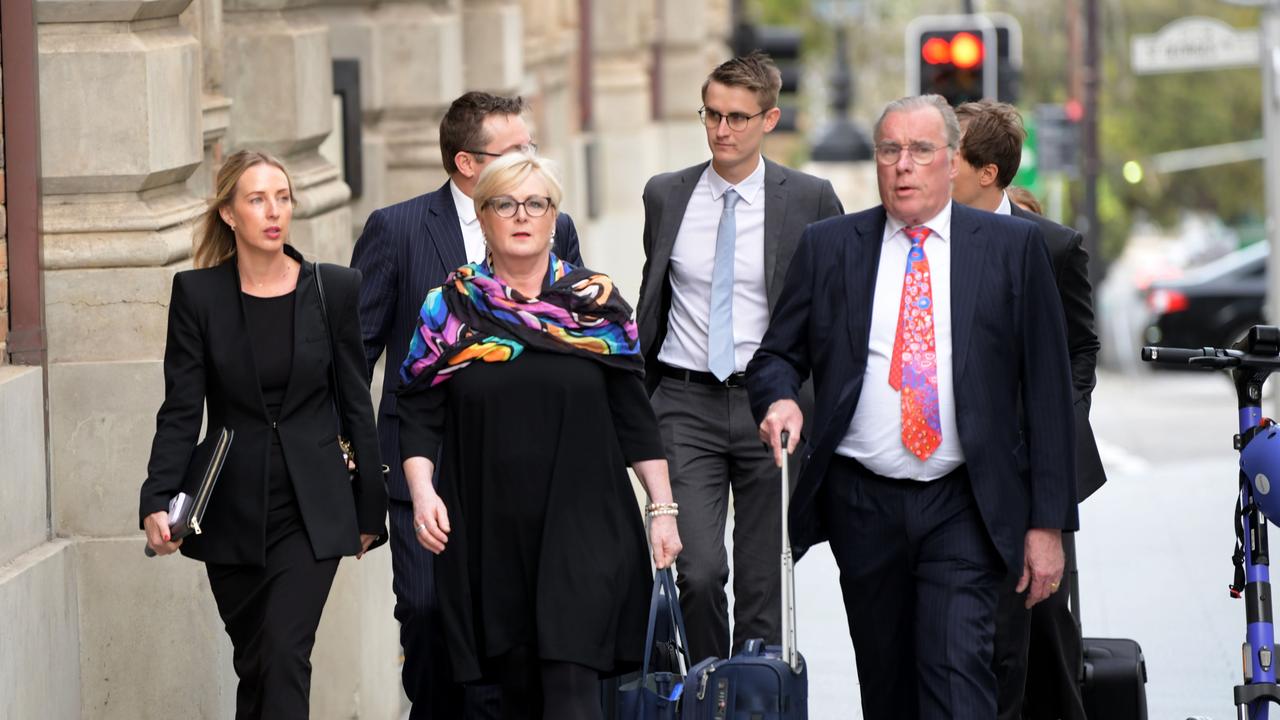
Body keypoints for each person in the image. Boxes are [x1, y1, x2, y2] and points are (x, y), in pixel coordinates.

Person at [746, 95, 1078, 720]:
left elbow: (1049, 394)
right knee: (888, 686)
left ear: (952, 162)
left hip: (966, 500)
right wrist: (782, 399)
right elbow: (775, 357)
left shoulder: (1011, 249)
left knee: (959, 679)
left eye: (921, 150)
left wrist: (1047, 525)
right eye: (889, 150)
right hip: (861, 501)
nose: (903, 165)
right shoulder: (830, 246)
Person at [396, 151, 680, 720]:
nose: (521, 215)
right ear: (483, 216)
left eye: (536, 204)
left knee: (573, 690)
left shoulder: (595, 305)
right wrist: (423, 493)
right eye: (505, 204)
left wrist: (663, 507)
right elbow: (420, 412)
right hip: (487, 526)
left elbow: (634, 415)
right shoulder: (449, 309)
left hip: (585, 524)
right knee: (514, 691)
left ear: (555, 218)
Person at [350, 91, 582, 718]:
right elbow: (356, 354)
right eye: (516, 152)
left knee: (515, 636)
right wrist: (359, 468)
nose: (531, 165)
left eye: (531, 150)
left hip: (523, 475)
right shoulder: (396, 230)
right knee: (426, 619)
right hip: (423, 469)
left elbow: (576, 340)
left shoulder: (553, 224)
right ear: (467, 163)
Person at [139, 150, 387, 719]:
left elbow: (356, 402)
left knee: (282, 655)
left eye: (282, 197)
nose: (274, 211)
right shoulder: (198, 296)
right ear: (229, 213)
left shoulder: (334, 289)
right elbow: (181, 410)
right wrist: (157, 498)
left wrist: (369, 512)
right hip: (231, 511)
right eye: (256, 199)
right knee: (256, 666)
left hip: (312, 509)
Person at [636, 51, 843, 663]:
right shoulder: (665, 195)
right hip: (682, 400)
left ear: (769, 119)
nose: (722, 130)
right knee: (696, 572)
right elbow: (655, 295)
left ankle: (754, 698)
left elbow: (829, 315)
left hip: (769, 407)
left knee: (763, 587)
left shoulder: (809, 199)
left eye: (737, 118)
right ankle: (706, 689)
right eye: (712, 115)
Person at [952, 99, 1106, 720]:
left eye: (950, 151)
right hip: (946, 464)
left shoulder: (1052, 245)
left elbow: (1081, 348)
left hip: (1030, 470)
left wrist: (1048, 433)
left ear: (988, 171)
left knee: (1040, 625)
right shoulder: (914, 239)